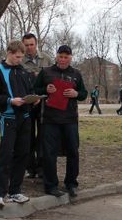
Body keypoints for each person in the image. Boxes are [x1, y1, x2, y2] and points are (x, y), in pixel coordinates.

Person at [35, 45, 88, 197]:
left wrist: (76, 93)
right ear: (56, 56)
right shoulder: (46, 72)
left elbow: (84, 94)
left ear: (71, 58)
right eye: (61, 56)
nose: (63, 59)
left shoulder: (76, 74)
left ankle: (71, 183)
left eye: (66, 57)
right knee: (49, 154)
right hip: (50, 119)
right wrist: (46, 90)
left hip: (70, 119)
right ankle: (51, 185)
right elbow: (35, 89)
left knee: (73, 151)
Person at [0, 40, 35, 208]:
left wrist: (33, 99)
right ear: (9, 53)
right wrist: (9, 100)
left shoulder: (23, 71)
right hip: (8, 119)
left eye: (21, 57)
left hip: (26, 118)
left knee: (23, 154)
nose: (19, 60)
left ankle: (15, 190)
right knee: (5, 156)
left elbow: (29, 91)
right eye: (16, 56)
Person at [21, 33, 50, 179]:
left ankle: (41, 167)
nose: (29, 48)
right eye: (26, 45)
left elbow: (51, 80)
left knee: (43, 136)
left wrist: (42, 96)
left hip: (44, 103)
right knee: (28, 135)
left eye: (31, 44)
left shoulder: (46, 58)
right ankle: (30, 167)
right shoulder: (20, 61)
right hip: (27, 103)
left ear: (36, 44)